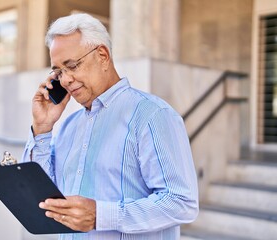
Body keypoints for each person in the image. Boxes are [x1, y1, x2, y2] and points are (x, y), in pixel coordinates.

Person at [22, 13, 198, 240]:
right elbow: (42, 198)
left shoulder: (152, 115)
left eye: (72, 66)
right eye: (58, 71)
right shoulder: (66, 127)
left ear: (103, 56)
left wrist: (100, 215)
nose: (65, 80)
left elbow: (181, 202)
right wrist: (42, 127)